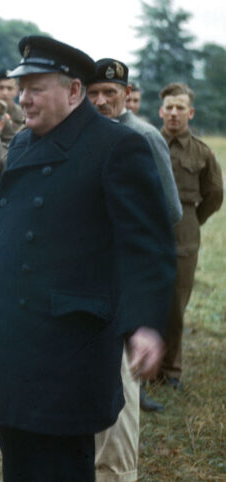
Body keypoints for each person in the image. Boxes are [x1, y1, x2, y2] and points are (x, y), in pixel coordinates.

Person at [0, 36, 176, 481]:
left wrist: (146, 324)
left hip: (67, 350)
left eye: (36, 88)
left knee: (61, 467)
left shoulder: (116, 147)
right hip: (12, 341)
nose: (23, 98)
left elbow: (147, 246)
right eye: (22, 88)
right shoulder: (22, 144)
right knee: (18, 462)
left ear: (74, 92)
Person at [87, 57, 183, 482]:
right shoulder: (84, 136)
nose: (102, 101)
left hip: (126, 277)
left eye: (111, 93)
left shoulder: (143, 137)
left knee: (121, 393)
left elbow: (170, 211)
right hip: (88, 280)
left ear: (128, 94)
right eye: (94, 93)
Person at [158, 82, 223, 390]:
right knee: (144, 301)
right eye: (169, 107)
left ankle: (170, 372)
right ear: (161, 111)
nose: (174, 113)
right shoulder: (144, 144)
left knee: (175, 306)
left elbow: (215, 193)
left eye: (180, 107)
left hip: (184, 236)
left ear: (190, 112)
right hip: (146, 232)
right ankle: (141, 371)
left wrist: (192, 222)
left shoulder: (202, 152)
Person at [0, 68, 24, 143]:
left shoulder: (25, 116)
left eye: (9, 88)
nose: (5, 93)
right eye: (1, 88)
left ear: (17, 91)